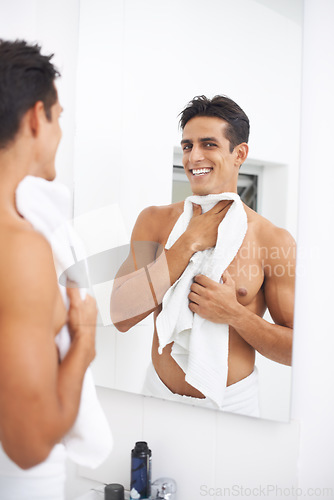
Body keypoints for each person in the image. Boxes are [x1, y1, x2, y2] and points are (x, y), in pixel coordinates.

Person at [111, 95, 295, 416]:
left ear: (239, 154)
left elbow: (298, 350)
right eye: (187, 146)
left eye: (208, 144)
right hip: (157, 395)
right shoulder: (154, 221)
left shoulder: (270, 239)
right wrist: (187, 243)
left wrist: (235, 315)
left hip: (233, 405)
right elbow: (121, 315)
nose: (194, 156)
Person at [0, 39, 110, 498]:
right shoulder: (19, 247)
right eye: (59, 116)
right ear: (34, 118)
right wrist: (84, 341)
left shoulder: (32, 225)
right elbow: (28, 444)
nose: (61, 131)